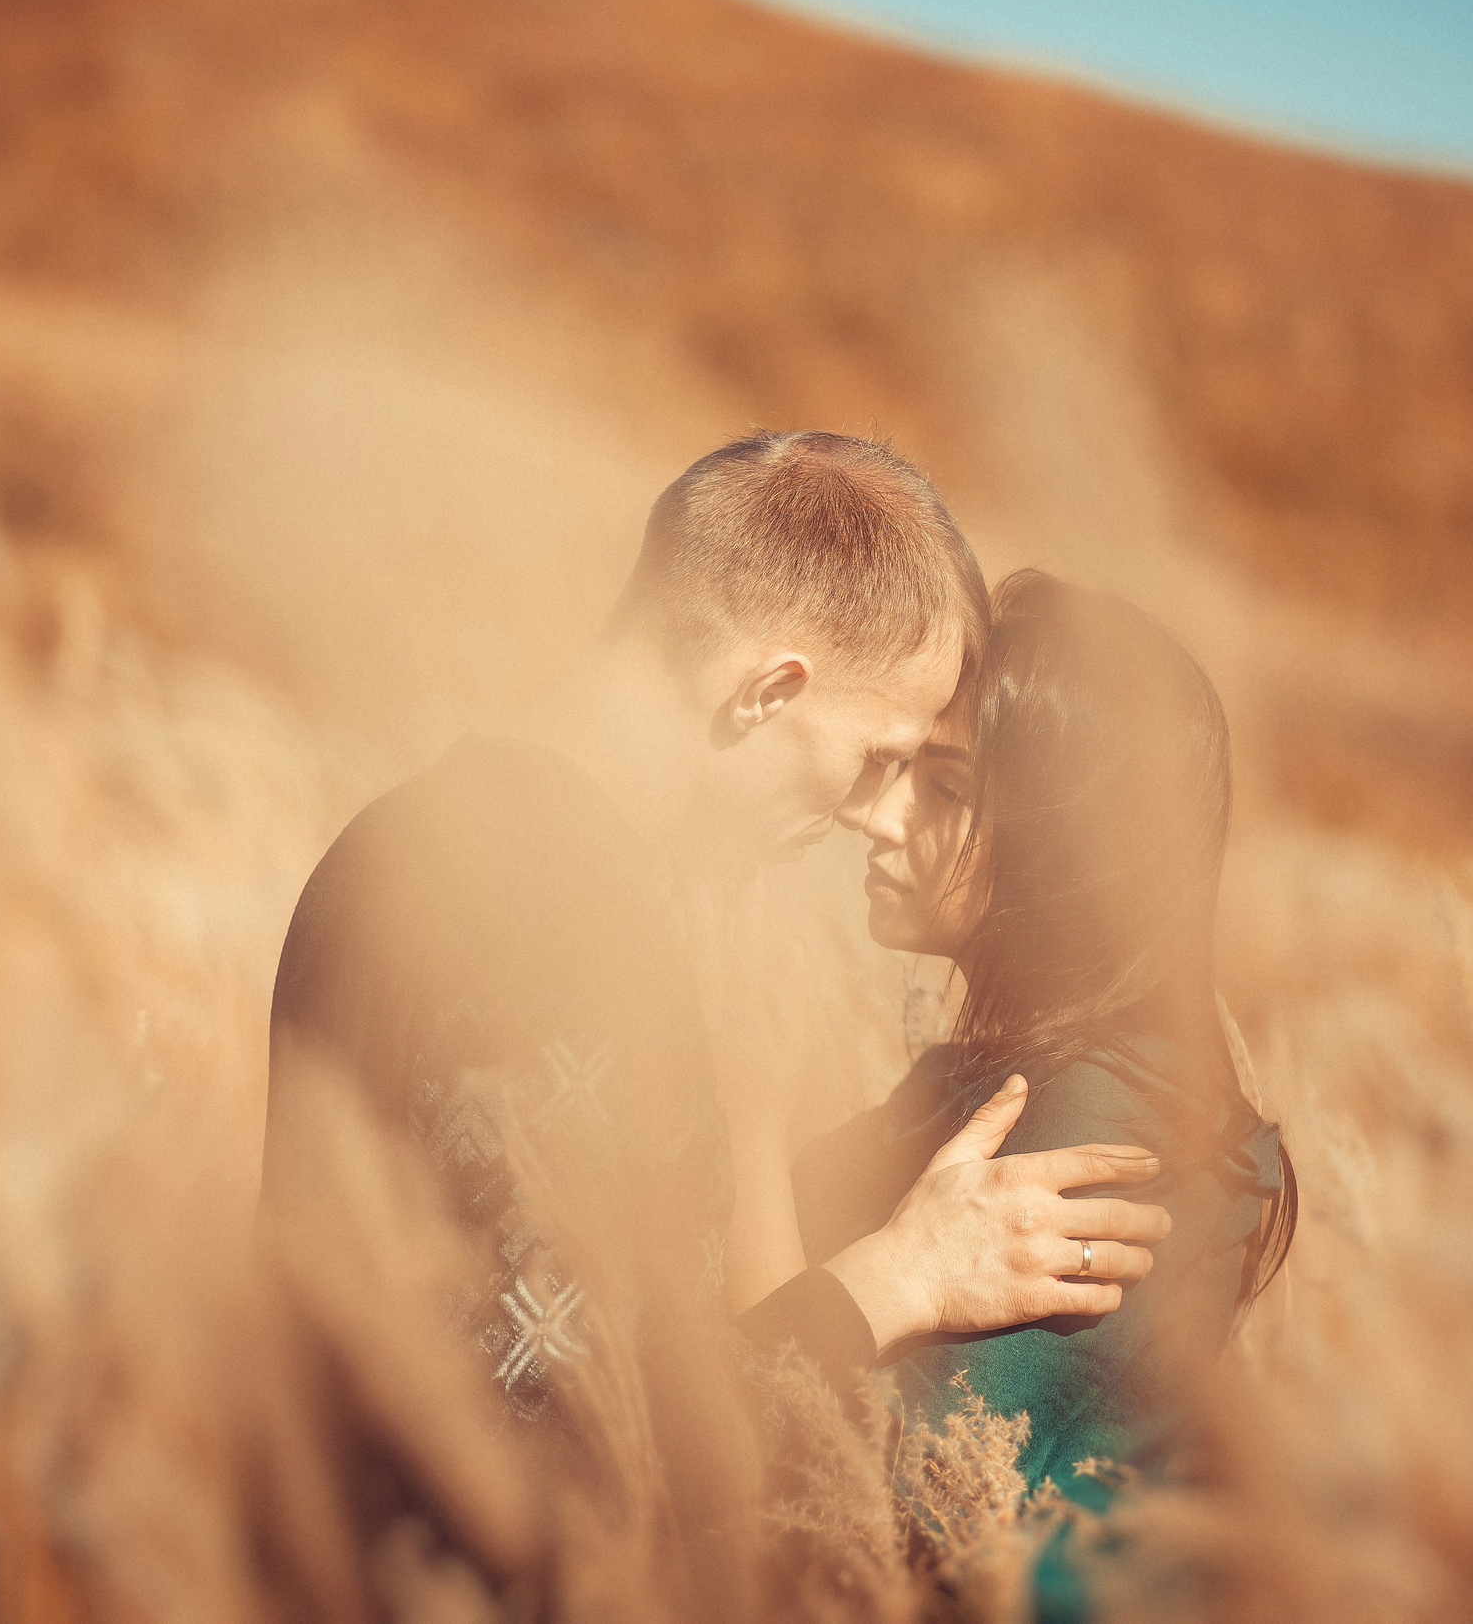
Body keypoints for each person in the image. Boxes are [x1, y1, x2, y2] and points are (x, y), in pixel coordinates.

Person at [260, 435, 1177, 1582]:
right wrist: (904, 1278)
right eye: (876, 754)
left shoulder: (403, 833)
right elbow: (586, 1449)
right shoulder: (570, 928)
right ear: (767, 692)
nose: (870, 809)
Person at [784, 570, 1298, 1621]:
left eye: (945, 790)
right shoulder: (976, 1082)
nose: (874, 815)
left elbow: (850, 1510)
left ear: (1069, 843)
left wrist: (751, 1118)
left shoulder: (1098, 1137)